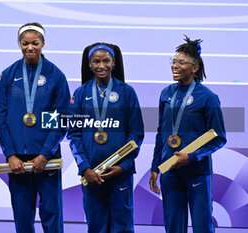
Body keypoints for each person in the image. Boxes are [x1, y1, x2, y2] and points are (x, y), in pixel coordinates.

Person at [0, 22, 70, 233]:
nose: (30, 47)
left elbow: (62, 117)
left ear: (43, 43)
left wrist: (45, 154)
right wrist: (10, 154)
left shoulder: (55, 75)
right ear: (19, 44)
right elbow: (0, 117)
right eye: (25, 43)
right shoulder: (8, 75)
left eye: (35, 43)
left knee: (52, 215)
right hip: (17, 160)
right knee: (22, 215)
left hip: (47, 159)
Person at [149, 36, 226, 233]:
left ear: (195, 68)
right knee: (174, 226)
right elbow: (161, 132)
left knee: (202, 227)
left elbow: (219, 137)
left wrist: (191, 157)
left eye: (181, 62)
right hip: (170, 170)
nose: (175, 66)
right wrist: (155, 167)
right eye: (173, 61)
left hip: (197, 172)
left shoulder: (208, 97)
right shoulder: (166, 93)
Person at [67, 42, 144, 233]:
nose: (101, 66)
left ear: (114, 63)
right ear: (89, 65)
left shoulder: (127, 92)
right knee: (96, 226)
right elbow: (74, 134)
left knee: (122, 226)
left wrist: (123, 166)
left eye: (106, 61)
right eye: (96, 61)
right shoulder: (80, 94)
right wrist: (85, 168)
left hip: (120, 174)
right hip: (92, 175)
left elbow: (136, 134)